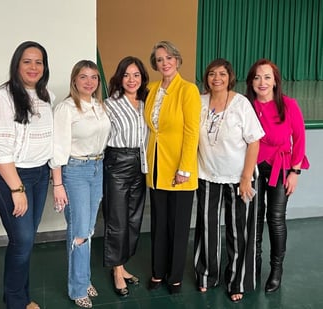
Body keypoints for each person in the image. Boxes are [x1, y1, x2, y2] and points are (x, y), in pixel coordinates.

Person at [0, 41, 54, 309]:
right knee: (23, 239)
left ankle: (18, 296)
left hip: (39, 175)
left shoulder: (44, 95)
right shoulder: (3, 96)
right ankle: (16, 302)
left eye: (39, 62)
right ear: (17, 64)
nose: (33, 67)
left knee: (26, 240)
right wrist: (16, 189)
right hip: (12, 177)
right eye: (27, 61)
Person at [193, 58, 264, 302]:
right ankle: (206, 276)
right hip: (207, 175)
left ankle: (237, 282)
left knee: (239, 232)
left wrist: (246, 178)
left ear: (229, 77)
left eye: (222, 74)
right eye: (212, 74)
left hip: (238, 178)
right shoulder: (200, 102)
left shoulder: (241, 104)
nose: (216, 78)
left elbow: (254, 141)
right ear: (207, 78)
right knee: (207, 228)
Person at [50, 60, 111, 308]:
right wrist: (58, 185)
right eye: (83, 77)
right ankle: (77, 289)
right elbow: (58, 148)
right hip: (75, 170)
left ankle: (84, 279)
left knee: (88, 230)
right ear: (74, 80)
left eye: (94, 77)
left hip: (98, 168)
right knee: (78, 232)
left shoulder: (98, 106)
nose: (89, 82)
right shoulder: (66, 108)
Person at [245, 58, 309, 293]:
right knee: (254, 217)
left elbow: (300, 139)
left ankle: (276, 269)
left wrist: (295, 171)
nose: (262, 82)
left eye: (267, 77)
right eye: (257, 77)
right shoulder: (246, 105)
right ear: (251, 82)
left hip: (280, 167)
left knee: (275, 218)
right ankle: (254, 265)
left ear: (275, 81)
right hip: (253, 167)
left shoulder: (288, 104)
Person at [144, 41, 201, 294]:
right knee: (158, 224)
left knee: (178, 226)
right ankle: (157, 271)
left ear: (177, 60)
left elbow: (192, 133)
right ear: (155, 64)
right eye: (159, 59)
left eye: (168, 57)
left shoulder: (188, 90)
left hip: (180, 169)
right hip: (156, 167)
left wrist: (185, 168)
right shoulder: (152, 89)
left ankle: (175, 276)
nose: (164, 62)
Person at [102, 56, 149, 297]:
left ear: (142, 78)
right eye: (127, 75)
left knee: (133, 218)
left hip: (141, 164)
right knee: (117, 219)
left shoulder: (147, 102)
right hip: (117, 162)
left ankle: (123, 262)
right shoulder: (109, 104)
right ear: (120, 78)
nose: (131, 80)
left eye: (136, 75)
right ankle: (116, 270)